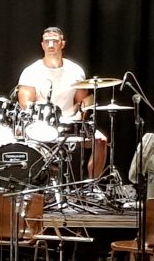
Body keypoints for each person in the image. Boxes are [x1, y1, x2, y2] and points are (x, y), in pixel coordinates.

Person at [17, 27, 107, 181]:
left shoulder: (75, 70)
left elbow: (82, 102)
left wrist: (79, 116)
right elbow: (25, 103)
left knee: (101, 140)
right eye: (47, 41)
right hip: (41, 124)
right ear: (42, 45)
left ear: (62, 44)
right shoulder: (31, 71)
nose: (51, 45)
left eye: (55, 41)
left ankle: (92, 185)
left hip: (68, 125)